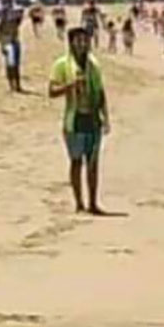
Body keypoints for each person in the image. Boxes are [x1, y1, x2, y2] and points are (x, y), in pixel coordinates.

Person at [48, 27, 111, 214]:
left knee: (93, 162)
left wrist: (105, 116)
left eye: (85, 40)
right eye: (79, 41)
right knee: (76, 162)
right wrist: (71, 86)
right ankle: (79, 202)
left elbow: (100, 92)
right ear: (71, 43)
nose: (83, 44)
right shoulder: (61, 65)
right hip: (73, 120)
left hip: (92, 118)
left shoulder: (94, 65)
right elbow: (51, 91)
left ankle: (92, 202)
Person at [0, 0, 24, 93]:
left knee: (16, 63)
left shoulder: (14, 6)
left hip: (14, 37)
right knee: (10, 62)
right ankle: (12, 85)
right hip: (5, 39)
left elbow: (19, 21)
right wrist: (3, 14)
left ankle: (18, 85)